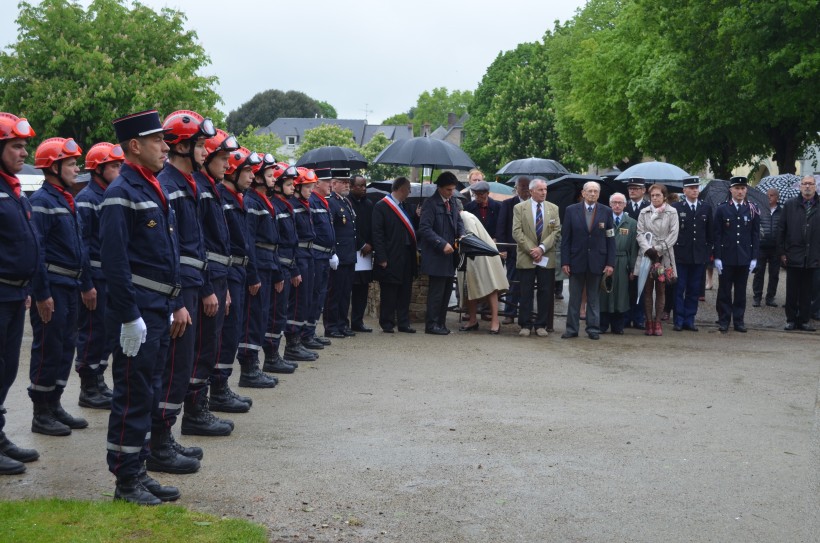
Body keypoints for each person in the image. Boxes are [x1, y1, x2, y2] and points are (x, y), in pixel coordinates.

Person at [101, 109, 184, 504]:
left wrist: (169, 302)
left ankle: (140, 469)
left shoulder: (150, 186)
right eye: (158, 140)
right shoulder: (121, 193)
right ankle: (125, 481)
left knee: (148, 392)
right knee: (132, 395)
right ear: (135, 146)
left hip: (156, 307)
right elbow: (114, 263)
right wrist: (130, 316)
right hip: (138, 311)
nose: (166, 147)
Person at [151, 111, 230, 464]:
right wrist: (183, 297)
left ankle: (169, 434)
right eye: (199, 145)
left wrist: (208, 286)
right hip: (181, 294)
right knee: (172, 368)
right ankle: (160, 443)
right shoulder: (171, 187)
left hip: (195, 288)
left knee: (185, 364)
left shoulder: (189, 184)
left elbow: (197, 247)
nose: (205, 151)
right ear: (181, 146)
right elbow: (174, 252)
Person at [29, 136, 94, 436]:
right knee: (48, 348)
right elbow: (37, 251)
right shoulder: (42, 202)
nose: (76, 168)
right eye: (70, 163)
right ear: (53, 167)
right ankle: (41, 412)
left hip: (70, 285)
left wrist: (85, 284)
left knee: (66, 347)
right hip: (53, 286)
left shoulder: (65, 200)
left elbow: (80, 248)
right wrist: (41, 293)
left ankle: (54, 404)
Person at [191, 129, 253, 415]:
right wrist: (209, 287)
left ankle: (217, 390)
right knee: (205, 345)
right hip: (209, 277)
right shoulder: (202, 190)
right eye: (223, 158)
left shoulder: (210, 190)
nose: (227, 165)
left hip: (221, 275)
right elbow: (199, 243)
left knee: (222, 338)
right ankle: (200, 405)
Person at [0, 113, 41, 474]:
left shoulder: (13, 191)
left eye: (25, 145)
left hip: (14, 296)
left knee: (8, 370)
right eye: (16, 146)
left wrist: (26, 287)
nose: (23, 152)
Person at [74, 142, 123, 410]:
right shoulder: (86, 200)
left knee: (106, 333)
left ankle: (98, 381)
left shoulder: (108, 195)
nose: (119, 171)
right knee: (91, 332)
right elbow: (82, 245)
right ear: (98, 169)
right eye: (114, 166)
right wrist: (86, 284)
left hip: (108, 277)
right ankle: (88, 387)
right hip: (94, 278)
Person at [236, 152, 290, 385]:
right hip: (259, 262)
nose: (272, 179)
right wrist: (253, 274)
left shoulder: (262, 202)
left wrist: (276, 270)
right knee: (252, 318)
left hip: (268, 262)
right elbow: (249, 240)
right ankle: (249, 369)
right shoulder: (251, 202)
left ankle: (257, 364)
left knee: (263, 315)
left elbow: (272, 243)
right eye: (268, 175)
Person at [561, 182, 615, 340]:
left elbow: (611, 238)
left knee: (593, 298)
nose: (593, 194)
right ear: (583, 193)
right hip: (576, 260)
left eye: (596, 191)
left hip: (597, 261)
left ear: (598, 194)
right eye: (590, 191)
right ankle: (571, 329)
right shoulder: (571, 210)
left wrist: (610, 263)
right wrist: (565, 261)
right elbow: (566, 239)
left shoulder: (606, 211)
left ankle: (593, 329)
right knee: (574, 298)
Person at [265, 163, 303, 368]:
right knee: (275, 313)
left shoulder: (284, 206)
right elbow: (276, 244)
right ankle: (271, 357)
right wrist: (279, 272)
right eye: (288, 184)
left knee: (280, 312)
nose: (292, 188)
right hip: (278, 268)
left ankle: (275, 354)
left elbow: (291, 242)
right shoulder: (275, 206)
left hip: (287, 266)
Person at [418, 172, 465, 335]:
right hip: (437, 255)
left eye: (453, 189)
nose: (451, 192)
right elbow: (424, 228)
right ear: (439, 188)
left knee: (446, 292)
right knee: (436, 293)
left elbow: (459, 222)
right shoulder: (430, 204)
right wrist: (441, 243)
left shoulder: (452, 201)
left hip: (450, 255)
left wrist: (462, 235)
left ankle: (441, 323)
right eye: (448, 190)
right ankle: (431, 325)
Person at [512, 177, 559, 337]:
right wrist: (532, 250)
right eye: (540, 190)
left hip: (546, 255)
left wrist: (542, 248)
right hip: (527, 256)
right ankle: (525, 324)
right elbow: (517, 231)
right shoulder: (519, 208)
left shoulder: (553, 208)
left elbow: (556, 231)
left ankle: (541, 324)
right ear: (531, 191)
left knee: (545, 291)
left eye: (545, 190)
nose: (544, 192)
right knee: (525, 291)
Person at [713, 176, 759, 333]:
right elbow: (717, 235)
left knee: (740, 291)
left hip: (744, 257)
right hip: (726, 256)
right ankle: (724, 320)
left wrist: (754, 257)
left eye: (743, 188)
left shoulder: (752, 209)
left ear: (746, 190)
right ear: (731, 190)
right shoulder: (722, 208)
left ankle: (739, 320)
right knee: (725, 290)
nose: (740, 191)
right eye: (737, 188)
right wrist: (717, 257)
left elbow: (755, 234)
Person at [372, 177, 417, 333]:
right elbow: (377, 234)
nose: (409, 193)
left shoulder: (406, 207)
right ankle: (387, 322)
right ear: (402, 189)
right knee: (389, 291)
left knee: (405, 290)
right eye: (408, 189)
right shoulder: (382, 206)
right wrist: (382, 257)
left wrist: (417, 215)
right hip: (391, 254)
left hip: (406, 254)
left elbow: (413, 229)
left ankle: (404, 323)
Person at [634, 184, 679, 336]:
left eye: (658, 195)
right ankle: (648, 321)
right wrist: (648, 249)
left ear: (664, 197)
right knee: (646, 289)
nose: (654, 198)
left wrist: (658, 250)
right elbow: (639, 233)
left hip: (663, 255)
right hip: (647, 254)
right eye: (652, 196)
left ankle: (658, 321)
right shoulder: (644, 212)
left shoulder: (672, 212)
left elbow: (673, 234)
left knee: (661, 289)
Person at [284, 168, 319, 361]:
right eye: (308, 186)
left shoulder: (303, 204)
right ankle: (292, 343)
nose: (311, 190)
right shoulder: (293, 205)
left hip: (308, 254)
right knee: (297, 302)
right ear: (298, 187)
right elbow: (292, 238)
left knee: (305, 300)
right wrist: (295, 265)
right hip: (300, 255)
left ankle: (299, 339)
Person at [778, 175, 819, 331]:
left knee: (808, 291)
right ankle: (791, 319)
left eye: (810, 184)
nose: (807, 186)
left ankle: (804, 320)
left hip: (813, 255)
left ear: (815, 186)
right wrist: (782, 252)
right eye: (804, 184)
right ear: (800, 186)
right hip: (793, 254)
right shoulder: (790, 205)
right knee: (792, 290)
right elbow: (781, 230)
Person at [458, 209, 509, 334]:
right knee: (468, 287)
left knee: (491, 287)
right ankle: (473, 320)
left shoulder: (465, 216)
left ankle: (495, 321)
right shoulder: (461, 216)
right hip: (471, 256)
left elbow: (470, 236)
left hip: (482, 256)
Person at [671, 177, 712, 332]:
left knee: (694, 289)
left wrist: (707, 253)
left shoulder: (705, 208)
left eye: (697, 187)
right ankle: (679, 320)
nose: (695, 190)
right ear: (684, 191)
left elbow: (709, 234)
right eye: (692, 188)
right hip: (681, 255)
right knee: (679, 289)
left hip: (699, 255)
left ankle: (690, 319)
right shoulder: (676, 207)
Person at [324, 171, 357, 338]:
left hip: (349, 254)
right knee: (334, 292)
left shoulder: (346, 202)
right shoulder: (331, 203)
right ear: (334, 184)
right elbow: (331, 230)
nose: (347, 185)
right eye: (343, 182)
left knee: (345, 292)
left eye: (347, 182)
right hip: (339, 254)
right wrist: (332, 253)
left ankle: (343, 323)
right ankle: (331, 325)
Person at [599, 192, 637, 335]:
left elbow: (634, 247)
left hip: (622, 261)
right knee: (604, 293)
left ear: (625, 205)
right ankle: (602, 324)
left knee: (621, 294)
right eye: (614, 202)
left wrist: (633, 268)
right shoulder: (602, 220)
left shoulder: (632, 223)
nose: (617, 205)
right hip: (605, 261)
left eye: (620, 202)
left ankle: (618, 325)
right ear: (609, 204)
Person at [308, 171, 338, 343]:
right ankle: (307, 334)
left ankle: (311, 331)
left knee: (320, 295)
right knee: (315, 295)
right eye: (327, 182)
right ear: (317, 183)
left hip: (324, 255)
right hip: (317, 255)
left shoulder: (322, 202)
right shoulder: (312, 201)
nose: (330, 185)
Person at [496, 176, 530, 323]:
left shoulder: (534, 205)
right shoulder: (508, 204)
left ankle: (526, 313)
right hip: (512, 250)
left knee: (527, 284)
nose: (526, 190)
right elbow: (501, 227)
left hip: (530, 251)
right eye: (522, 187)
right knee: (512, 281)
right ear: (516, 188)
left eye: (528, 187)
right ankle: (510, 312)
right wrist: (503, 248)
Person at [348, 174, 374, 332]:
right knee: (348, 288)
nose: (364, 188)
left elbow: (373, 226)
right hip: (352, 250)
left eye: (365, 185)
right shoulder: (347, 203)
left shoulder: (369, 204)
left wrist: (370, 244)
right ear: (351, 186)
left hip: (366, 253)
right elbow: (349, 229)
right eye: (360, 186)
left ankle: (358, 321)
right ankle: (343, 322)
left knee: (362, 289)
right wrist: (361, 244)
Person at [624, 177, 649, 329]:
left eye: (636, 188)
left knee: (641, 286)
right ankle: (626, 316)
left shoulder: (648, 207)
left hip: (643, 251)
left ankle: (639, 317)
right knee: (626, 287)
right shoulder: (623, 205)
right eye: (630, 188)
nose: (632, 191)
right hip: (626, 250)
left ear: (643, 190)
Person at [752, 188, 782, 307]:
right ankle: (757, 297)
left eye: (772, 195)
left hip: (776, 247)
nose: (769, 197)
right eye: (767, 195)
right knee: (759, 272)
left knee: (774, 274)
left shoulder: (782, 211)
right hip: (761, 246)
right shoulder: (759, 210)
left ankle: (770, 297)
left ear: (777, 197)